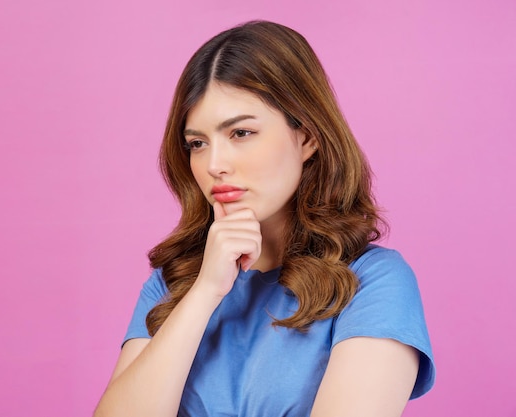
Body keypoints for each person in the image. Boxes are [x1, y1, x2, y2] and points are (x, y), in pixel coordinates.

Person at [94, 20, 435, 417]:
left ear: (306, 137)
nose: (214, 165)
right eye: (197, 143)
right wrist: (204, 292)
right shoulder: (173, 284)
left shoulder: (374, 284)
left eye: (240, 133)